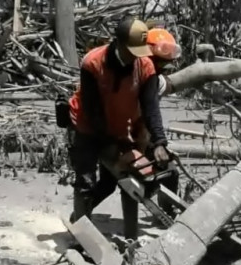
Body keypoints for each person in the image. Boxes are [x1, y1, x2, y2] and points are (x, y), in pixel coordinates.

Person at [66, 17, 178, 224]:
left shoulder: (145, 66)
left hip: (118, 126)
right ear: (118, 42)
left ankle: (92, 220)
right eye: (131, 51)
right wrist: (117, 146)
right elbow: (93, 111)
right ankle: (80, 228)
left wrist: (159, 141)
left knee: (120, 179)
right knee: (86, 181)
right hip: (87, 127)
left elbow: (150, 107)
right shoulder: (93, 63)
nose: (135, 57)